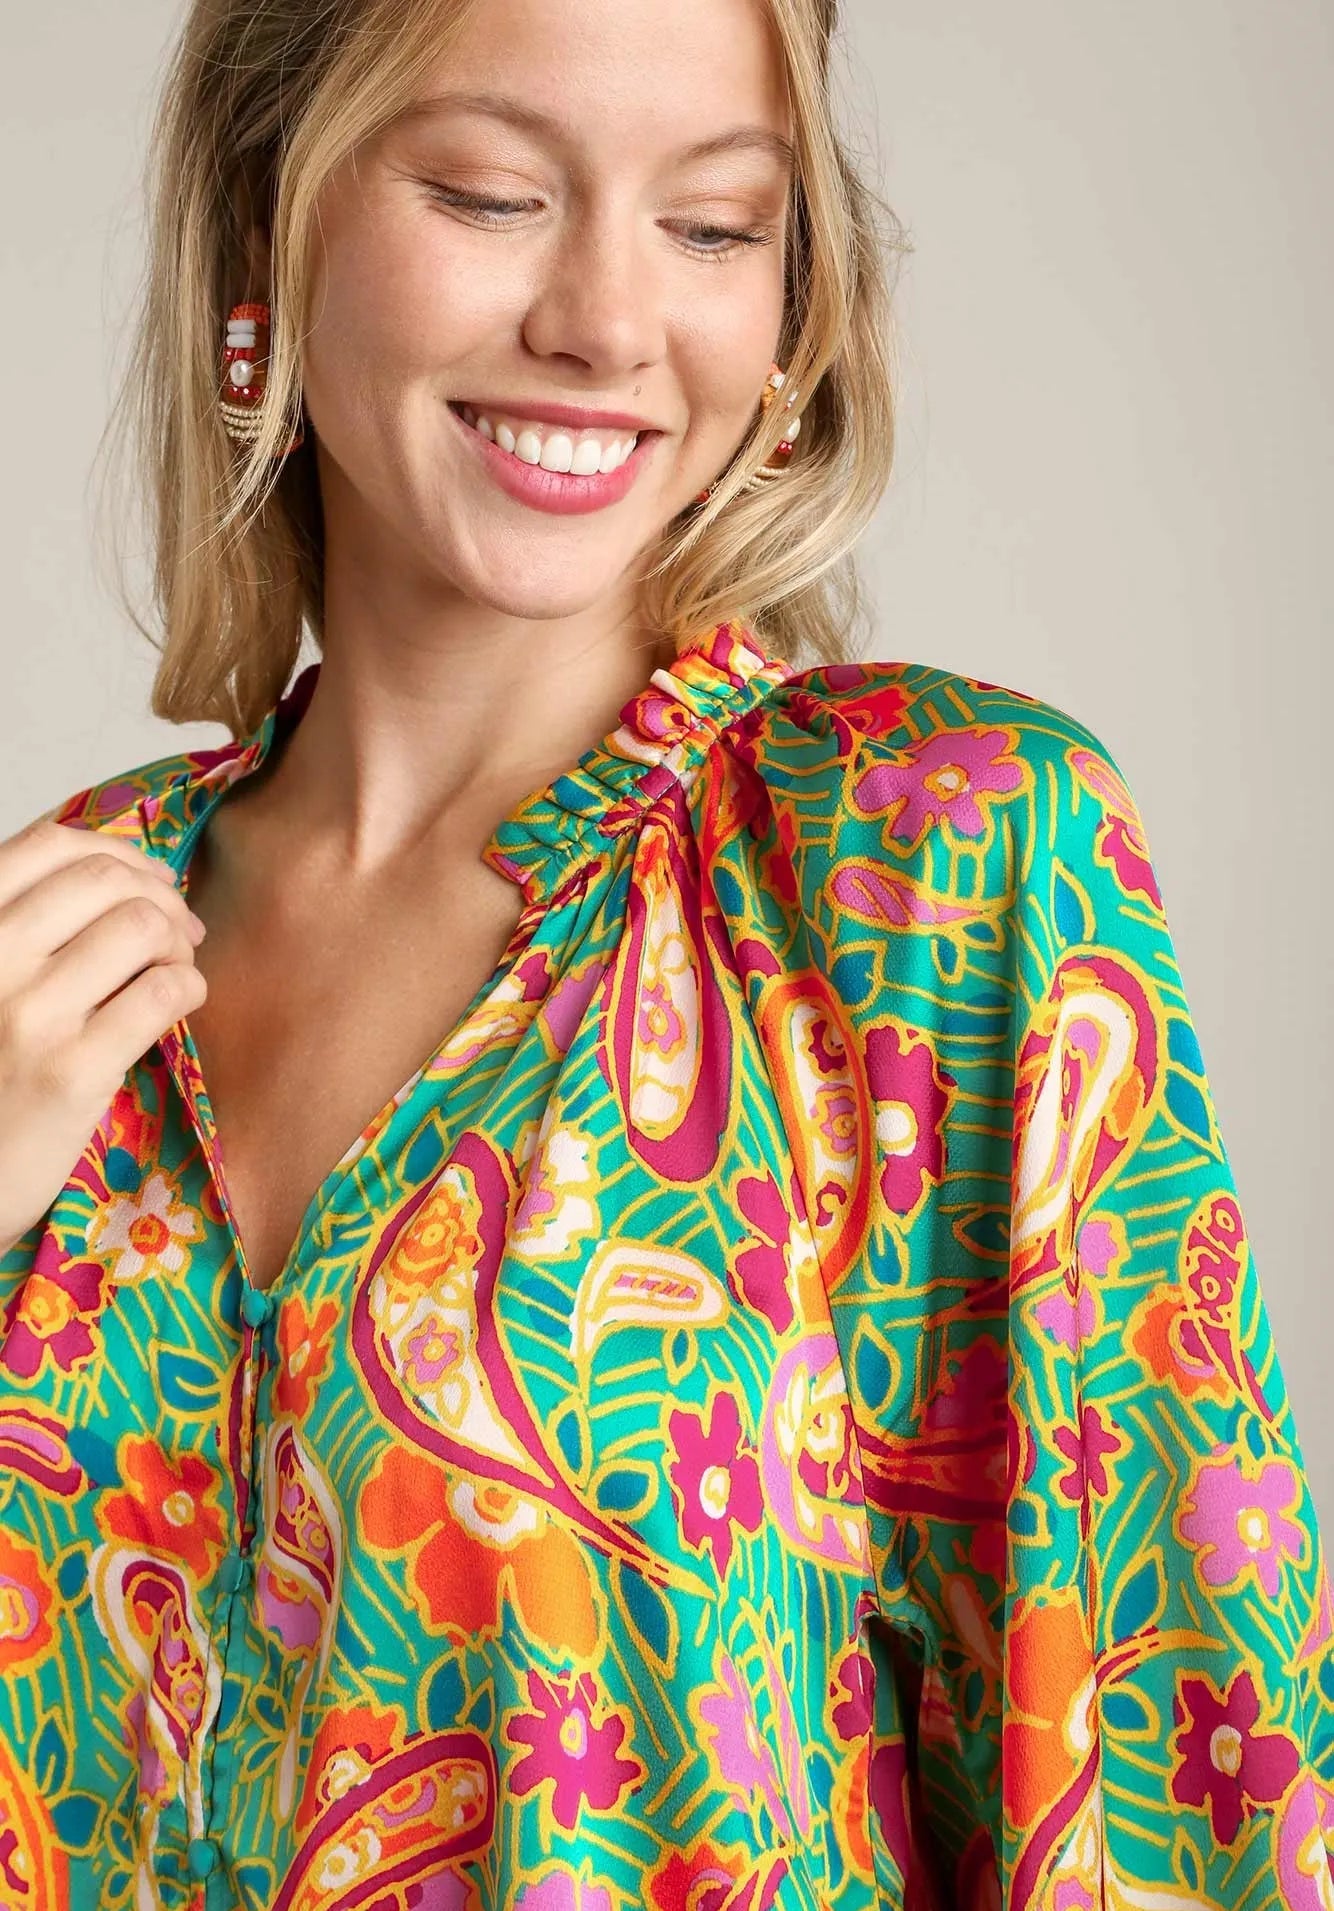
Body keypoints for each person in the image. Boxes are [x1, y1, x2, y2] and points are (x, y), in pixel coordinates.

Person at [1, 0, 1330, 1904]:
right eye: (489, 194)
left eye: (712, 227)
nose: (608, 322)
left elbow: (1171, 1780)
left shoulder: (926, 860)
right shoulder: (57, 928)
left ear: (793, 316)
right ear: (256, 230)